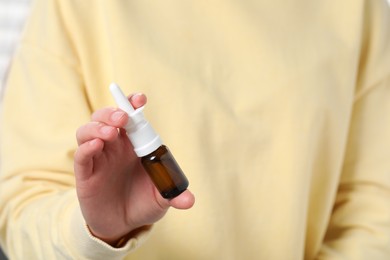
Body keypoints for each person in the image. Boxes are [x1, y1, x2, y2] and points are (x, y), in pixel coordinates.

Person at [1, 0, 390, 259]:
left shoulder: (357, 9)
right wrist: (94, 230)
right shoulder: (78, 8)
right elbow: (19, 214)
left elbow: (375, 213)